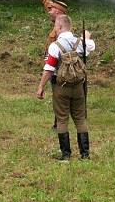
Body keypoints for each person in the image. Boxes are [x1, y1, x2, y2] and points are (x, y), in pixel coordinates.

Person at [36, 14, 95, 160]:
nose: (54, 28)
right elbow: (91, 46)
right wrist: (86, 36)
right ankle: (85, 154)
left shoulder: (55, 46)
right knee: (80, 119)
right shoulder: (80, 43)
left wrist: (41, 87)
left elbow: (49, 68)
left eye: (55, 25)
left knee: (62, 119)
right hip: (79, 87)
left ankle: (66, 155)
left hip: (61, 87)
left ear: (60, 27)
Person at [39, 0, 68, 129]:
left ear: (58, 13)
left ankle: (59, 123)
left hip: (58, 68)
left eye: (51, 11)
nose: (49, 12)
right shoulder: (58, 20)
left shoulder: (61, 30)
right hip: (53, 66)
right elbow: (49, 4)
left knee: (59, 96)